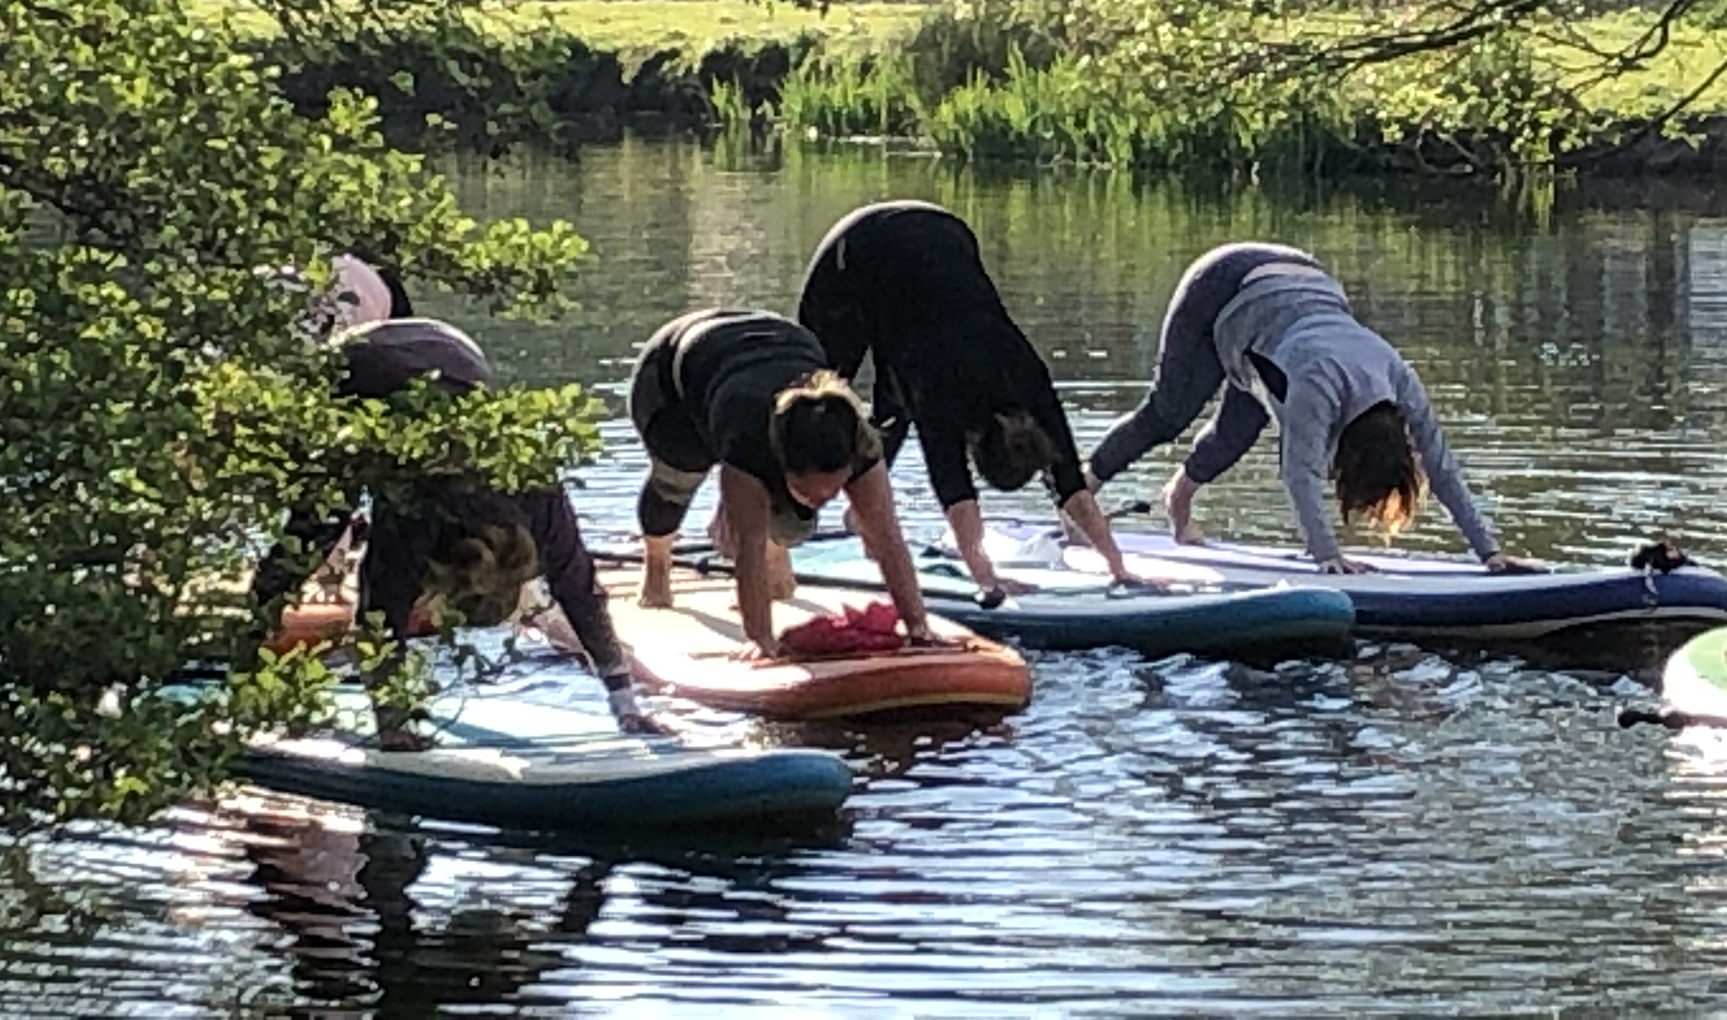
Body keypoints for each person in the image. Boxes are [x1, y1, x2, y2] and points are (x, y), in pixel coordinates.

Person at [250, 317, 660, 748]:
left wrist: (625, 704)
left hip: (454, 355)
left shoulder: (537, 495)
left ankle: (257, 647)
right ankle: (246, 669)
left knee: (334, 540)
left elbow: (582, 594)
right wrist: (391, 726)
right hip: (353, 374)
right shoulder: (419, 512)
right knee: (312, 536)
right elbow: (379, 615)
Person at [1084, 242, 1534, 574]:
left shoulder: (1400, 381)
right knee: (1168, 414)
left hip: (1300, 294)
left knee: (1240, 429)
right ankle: (1079, 492)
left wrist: (1489, 553)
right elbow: (1299, 474)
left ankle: (1177, 499)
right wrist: (1327, 556)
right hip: (1223, 285)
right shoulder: (1317, 388)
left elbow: (1442, 468)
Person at [796, 201, 1147, 599]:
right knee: (811, 405)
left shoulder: (1030, 381)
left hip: (944, 232)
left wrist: (1119, 568)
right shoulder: (945, 395)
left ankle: (861, 514)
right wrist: (986, 580)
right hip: (858, 250)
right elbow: (957, 494)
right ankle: (773, 528)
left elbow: (1072, 489)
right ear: (974, 444)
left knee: (895, 400)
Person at [628, 308, 935, 654]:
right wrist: (760, 639)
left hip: (777, 344)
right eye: (810, 489)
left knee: (794, 526)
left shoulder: (859, 442)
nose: (826, 499)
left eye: (834, 491)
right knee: (676, 483)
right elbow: (748, 549)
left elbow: (888, 538)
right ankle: (656, 563)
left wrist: (918, 625)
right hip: (674, 377)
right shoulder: (749, 442)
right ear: (782, 462)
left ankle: (772, 545)